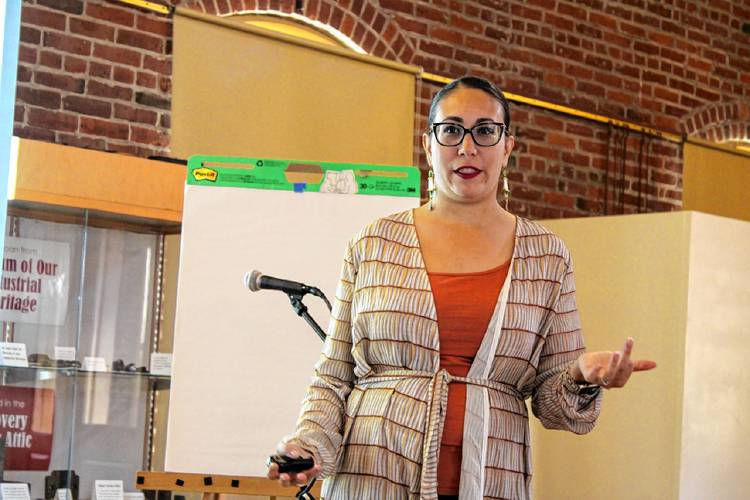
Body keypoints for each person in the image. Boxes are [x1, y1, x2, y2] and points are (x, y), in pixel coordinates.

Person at [266, 76, 657, 499]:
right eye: (451, 130)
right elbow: (333, 375)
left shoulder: (548, 256)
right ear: (428, 144)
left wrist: (581, 375)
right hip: (373, 474)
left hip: (491, 477)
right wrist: (307, 446)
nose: (467, 147)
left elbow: (552, 403)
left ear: (508, 146)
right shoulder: (373, 243)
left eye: (485, 131)